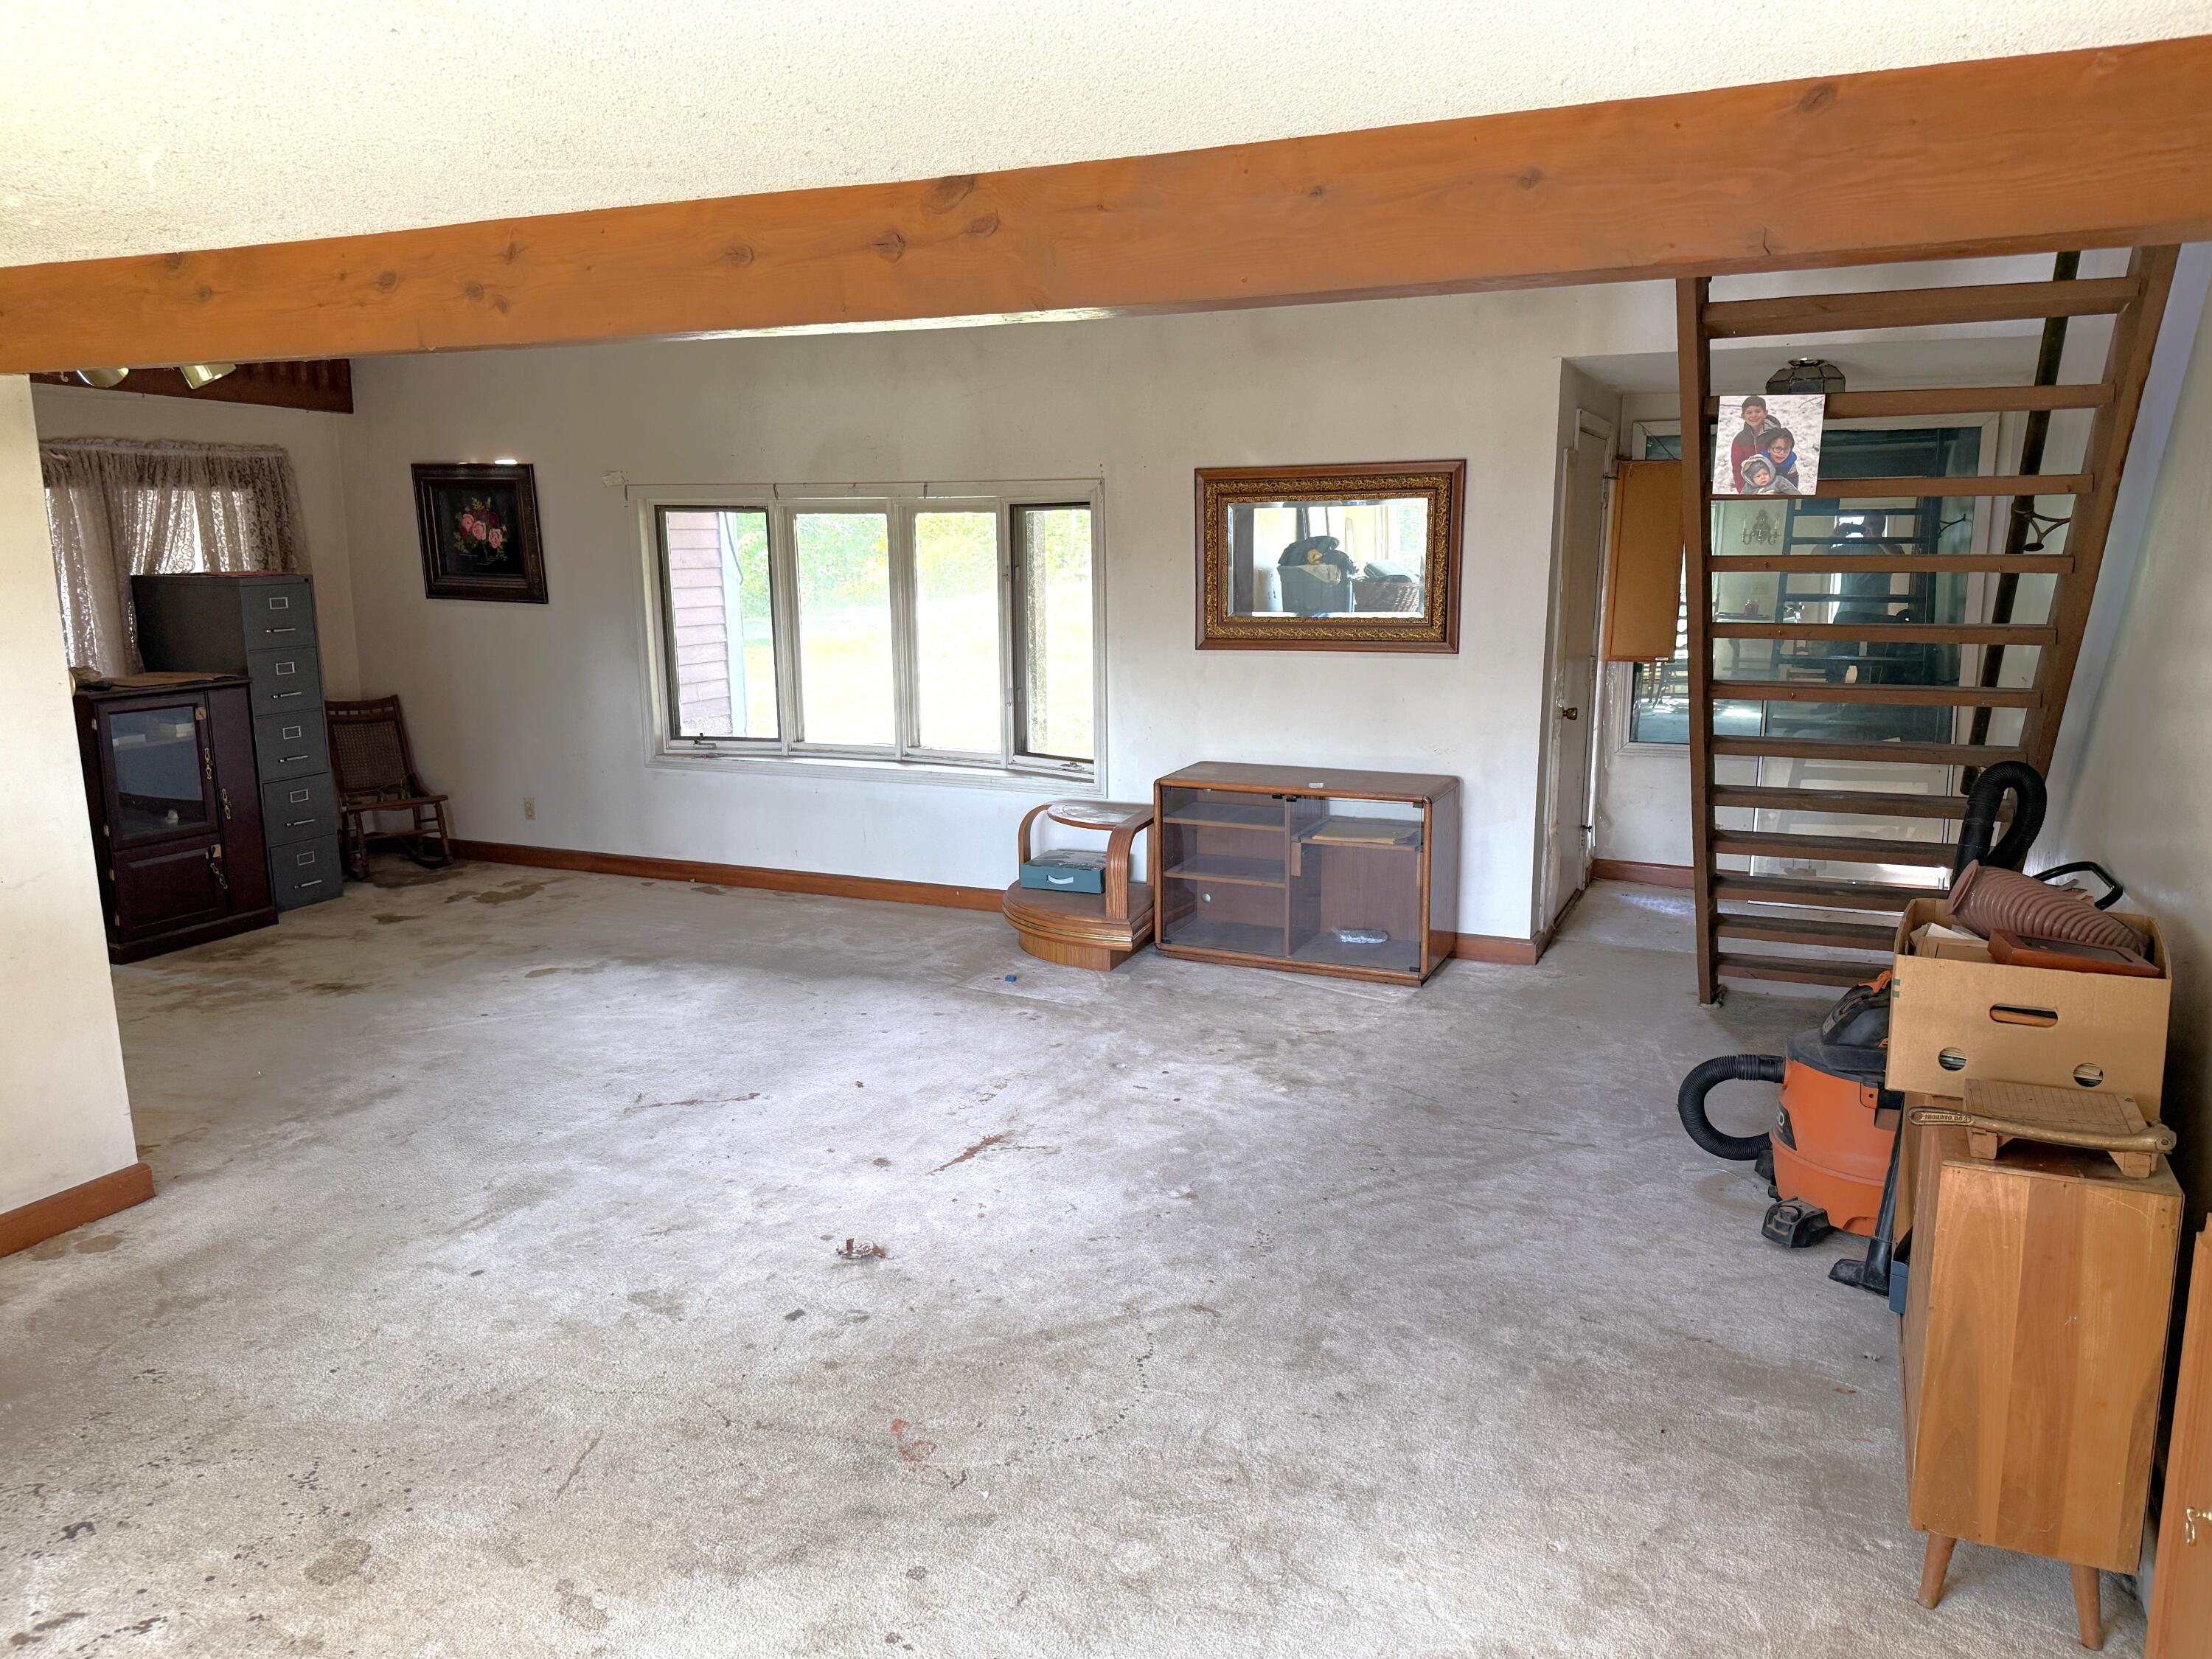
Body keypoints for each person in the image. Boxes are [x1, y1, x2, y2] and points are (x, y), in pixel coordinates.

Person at [1728, 395, 1778, 487]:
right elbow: (1737, 468)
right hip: (1751, 484)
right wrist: (1742, 491)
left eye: (1758, 411)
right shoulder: (1739, 440)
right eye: (1749, 412)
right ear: (1743, 416)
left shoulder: (1775, 435)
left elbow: (1784, 459)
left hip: (1776, 482)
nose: (1754, 415)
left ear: (1765, 413)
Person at [1759, 428, 1803, 495]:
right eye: (1777, 449)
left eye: (1786, 449)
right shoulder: (1760, 463)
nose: (1782, 453)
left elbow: (1793, 490)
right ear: (1768, 449)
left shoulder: (1790, 467)